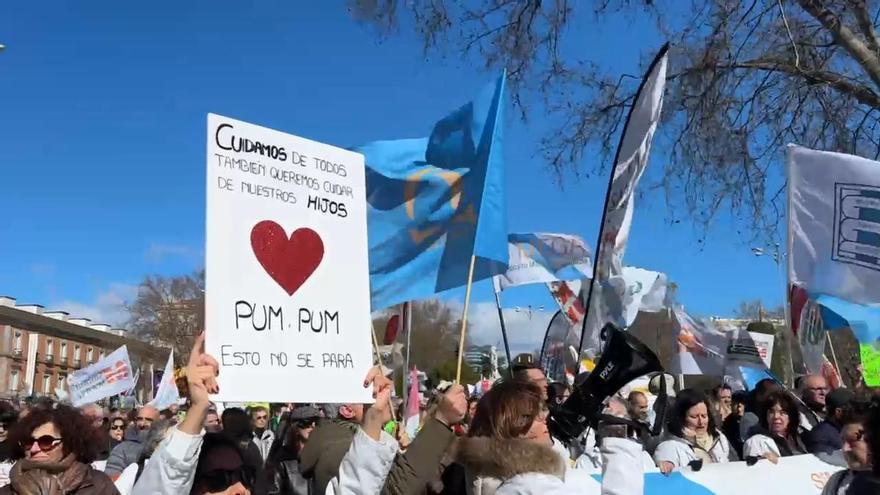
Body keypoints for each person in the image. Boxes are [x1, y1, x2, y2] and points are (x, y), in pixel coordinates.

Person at [0, 404, 118, 494]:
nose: (34, 449)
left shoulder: (99, 487)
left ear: (68, 444)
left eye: (46, 442)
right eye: (29, 442)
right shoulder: (8, 491)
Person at [654, 389, 734, 474]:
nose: (701, 422)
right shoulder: (670, 446)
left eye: (704, 416)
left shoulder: (720, 438)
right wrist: (666, 464)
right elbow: (664, 462)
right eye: (694, 417)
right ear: (681, 418)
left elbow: (734, 465)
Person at [263, 406, 321, 495]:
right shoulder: (283, 460)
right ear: (295, 427)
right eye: (307, 422)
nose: (313, 426)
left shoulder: (324, 454)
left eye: (317, 423)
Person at [743, 390, 808, 461]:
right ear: (765, 415)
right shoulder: (756, 442)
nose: (776, 416)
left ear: (791, 416)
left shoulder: (799, 438)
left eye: (782, 412)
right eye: (771, 412)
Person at [105, 405, 160, 477]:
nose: (142, 423)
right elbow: (111, 479)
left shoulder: (165, 446)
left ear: (158, 422)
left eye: (148, 420)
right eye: (140, 419)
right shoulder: (122, 449)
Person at [806, 388, 855, 455]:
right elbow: (827, 461)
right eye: (854, 410)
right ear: (838, 412)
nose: (858, 414)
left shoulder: (851, 429)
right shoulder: (821, 436)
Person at [721, 391, 748, 458]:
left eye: (743, 403)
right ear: (731, 405)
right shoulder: (725, 426)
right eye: (736, 402)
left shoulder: (753, 424)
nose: (739, 406)